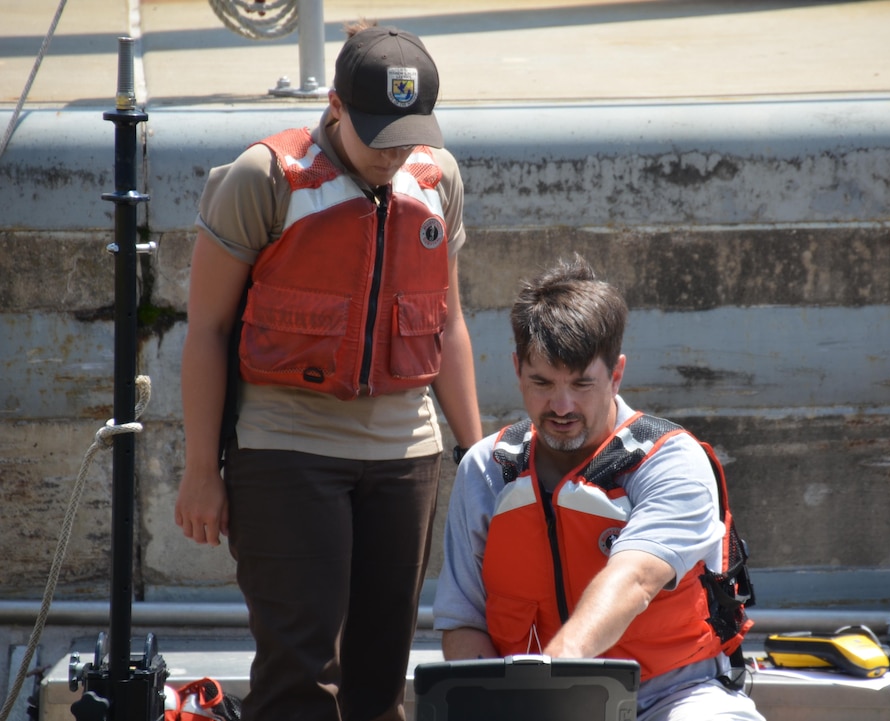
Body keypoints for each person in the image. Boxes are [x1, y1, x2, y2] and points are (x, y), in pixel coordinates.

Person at [175, 22, 482, 721]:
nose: (393, 153)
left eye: (407, 134)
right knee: (300, 677)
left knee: (380, 679)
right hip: (286, 448)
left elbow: (448, 324)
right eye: (376, 133)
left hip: (405, 455)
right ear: (337, 105)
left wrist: (476, 448)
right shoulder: (263, 178)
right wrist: (201, 470)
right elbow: (208, 330)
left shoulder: (438, 180)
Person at [433, 256, 763, 720]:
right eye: (542, 383)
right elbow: (463, 622)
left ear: (617, 373)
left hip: (673, 697)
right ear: (516, 369)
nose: (561, 405)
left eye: (582, 383)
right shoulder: (485, 469)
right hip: (526, 706)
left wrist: (549, 682)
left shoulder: (672, 460)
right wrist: (510, 706)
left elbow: (634, 578)